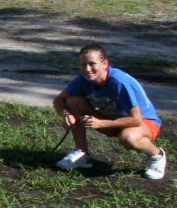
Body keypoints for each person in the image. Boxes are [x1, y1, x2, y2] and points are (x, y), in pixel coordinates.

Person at [52, 44, 166, 179]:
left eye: (92, 64)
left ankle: (157, 155)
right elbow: (59, 99)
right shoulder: (82, 80)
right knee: (72, 102)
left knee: (128, 138)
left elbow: (136, 119)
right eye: (83, 65)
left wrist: (101, 123)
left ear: (105, 63)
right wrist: (66, 114)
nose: (87, 69)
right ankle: (82, 154)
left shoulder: (119, 82)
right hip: (111, 119)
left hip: (142, 122)